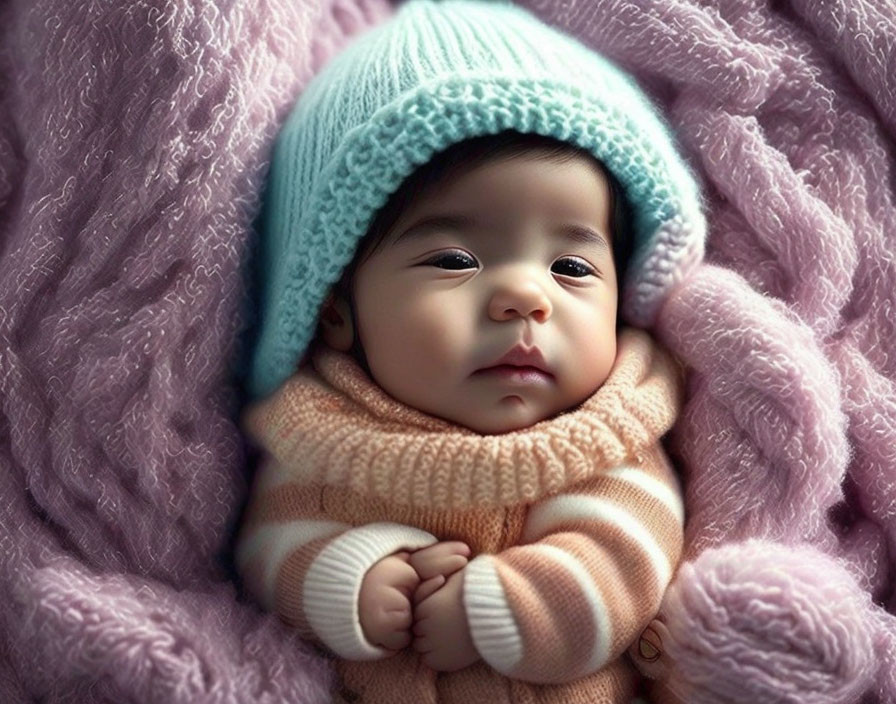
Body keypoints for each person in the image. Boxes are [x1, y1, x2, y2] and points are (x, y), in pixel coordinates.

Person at [234, 1, 706, 701]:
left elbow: (630, 555)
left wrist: (497, 610)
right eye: (454, 259)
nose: (524, 297)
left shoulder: (612, 430)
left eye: (571, 269)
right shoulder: (322, 432)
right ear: (335, 310)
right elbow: (270, 546)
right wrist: (351, 580)